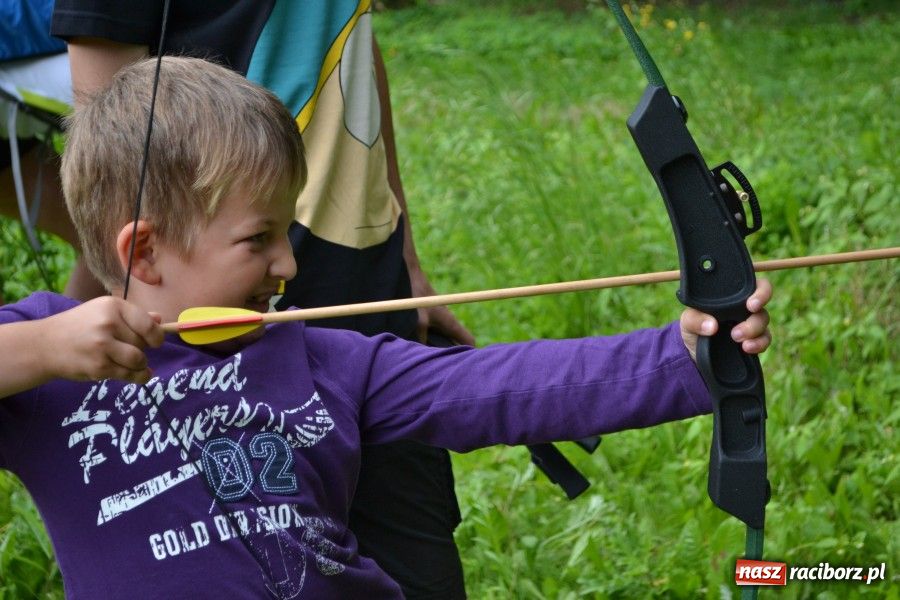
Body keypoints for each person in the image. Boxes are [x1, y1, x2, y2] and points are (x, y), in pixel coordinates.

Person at [0, 57, 772, 599]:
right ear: (145, 249)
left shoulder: (316, 353)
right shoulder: (50, 360)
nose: (288, 266)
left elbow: (492, 389)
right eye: (257, 239)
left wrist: (685, 354)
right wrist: (38, 349)